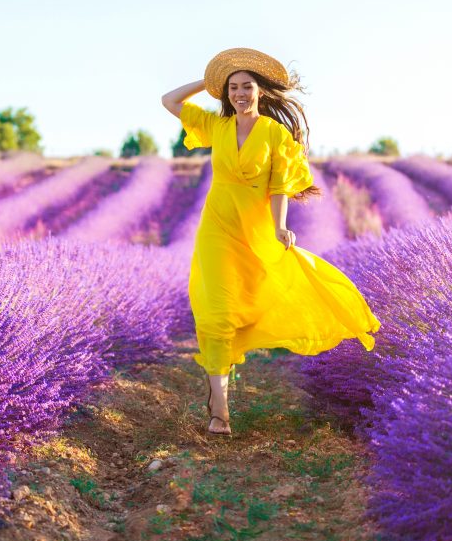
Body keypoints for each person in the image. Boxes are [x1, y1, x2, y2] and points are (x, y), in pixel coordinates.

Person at [161, 48, 381, 435]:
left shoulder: (274, 133)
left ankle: (222, 382)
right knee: (216, 314)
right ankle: (220, 412)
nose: (240, 93)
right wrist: (208, 82)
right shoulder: (217, 127)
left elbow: (279, 186)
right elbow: (169, 101)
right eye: (233, 87)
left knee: (250, 304)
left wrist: (280, 227)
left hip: (256, 229)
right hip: (216, 227)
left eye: (247, 86)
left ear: (260, 91)